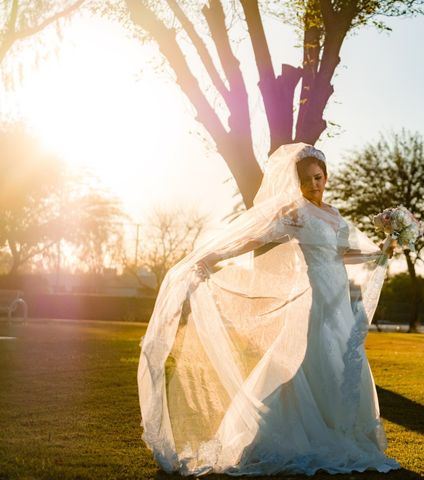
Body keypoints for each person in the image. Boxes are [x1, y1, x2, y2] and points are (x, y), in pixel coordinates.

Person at [138, 143, 400, 476]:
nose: (313, 185)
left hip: (339, 301)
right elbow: (255, 238)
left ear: (327, 177)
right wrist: (214, 257)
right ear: (298, 182)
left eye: (318, 178)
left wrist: (377, 253)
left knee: (344, 362)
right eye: (306, 180)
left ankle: (343, 430)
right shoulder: (295, 213)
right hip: (317, 297)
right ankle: (289, 434)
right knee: (311, 360)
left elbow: (341, 253)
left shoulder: (334, 213)